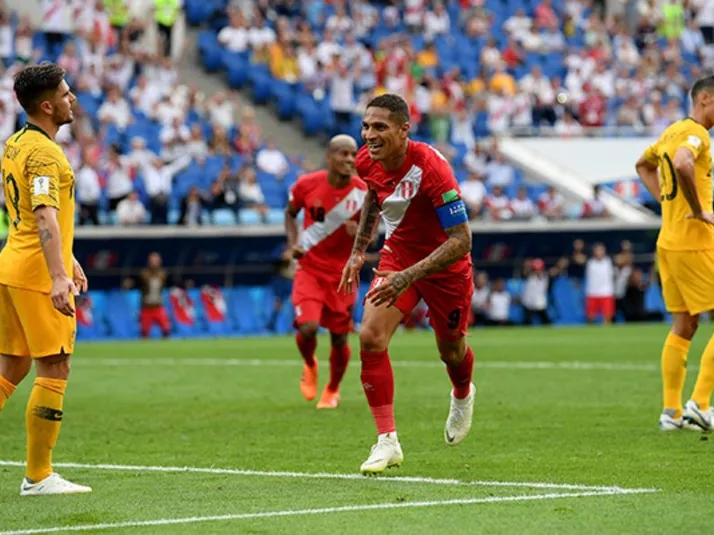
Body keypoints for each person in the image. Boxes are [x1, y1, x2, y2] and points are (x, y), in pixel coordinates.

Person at [339, 93, 475, 474]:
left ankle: (462, 393)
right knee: (370, 335)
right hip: (398, 255)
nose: (369, 135)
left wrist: (409, 276)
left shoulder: (432, 168)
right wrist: (359, 251)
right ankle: (387, 441)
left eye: (379, 127)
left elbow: (462, 240)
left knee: (451, 350)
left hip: (446, 266)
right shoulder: (367, 160)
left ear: (403, 130)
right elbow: (373, 194)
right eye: (366, 126)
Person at [0, 63, 92, 495]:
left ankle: (39, 474)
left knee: (11, 367)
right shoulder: (43, 154)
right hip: (36, 274)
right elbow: (43, 216)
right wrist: (58, 277)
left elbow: (25, 213)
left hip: (12, 265)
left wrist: (68, 258)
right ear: (48, 106)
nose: (72, 99)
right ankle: (38, 476)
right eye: (66, 93)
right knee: (55, 365)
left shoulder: (16, 142)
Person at [635, 75, 714, 432]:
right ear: (705, 98)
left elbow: (643, 165)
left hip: (668, 240)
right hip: (695, 240)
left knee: (685, 325)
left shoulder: (670, 132)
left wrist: (668, 204)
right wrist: (698, 209)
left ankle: (671, 412)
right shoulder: (697, 134)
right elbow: (683, 163)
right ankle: (700, 404)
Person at [285, 135, 367, 409]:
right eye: (343, 154)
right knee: (308, 328)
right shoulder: (306, 185)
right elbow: (290, 213)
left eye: (353, 154)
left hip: (343, 275)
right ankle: (310, 363)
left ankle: (332, 389)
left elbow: (374, 237)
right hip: (310, 269)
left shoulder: (363, 192)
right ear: (329, 157)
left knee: (339, 337)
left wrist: (360, 234)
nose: (349, 159)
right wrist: (293, 244)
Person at [138, 252, 171, 338]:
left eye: (156, 260)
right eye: (152, 260)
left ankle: (166, 344)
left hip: (158, 306)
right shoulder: (143, 273)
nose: (154, 263)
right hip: (146, 307)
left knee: (166, 329)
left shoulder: (163, 274)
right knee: (144, 331)